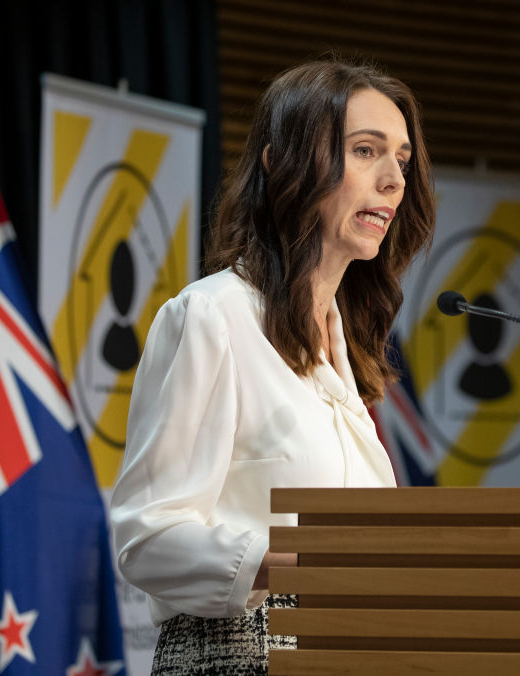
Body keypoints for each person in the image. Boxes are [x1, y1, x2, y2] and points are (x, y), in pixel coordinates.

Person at [108, 58, 435, 674]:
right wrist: (290, 557)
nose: (394, 180)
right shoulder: (210, 317)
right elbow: (145, 538)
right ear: (282, 161)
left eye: (402, 160)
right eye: (367, 151)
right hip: (238, 655)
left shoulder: (347, 350)